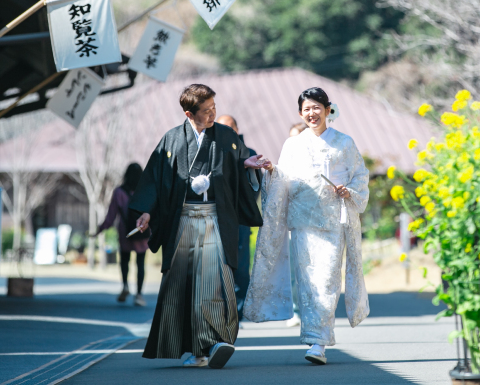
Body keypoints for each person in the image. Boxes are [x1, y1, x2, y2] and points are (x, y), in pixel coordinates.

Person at [131, 84, 267, 369]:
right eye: (206, 110)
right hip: (182, 220)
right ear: (189, 113)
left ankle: (215, 341)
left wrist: (248, 165)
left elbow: (239, 164)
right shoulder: (171, 140)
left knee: (214, 282)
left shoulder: (226, 136)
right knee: (182, 284)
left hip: (215, 219)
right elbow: (155, 180)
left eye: (214, 107)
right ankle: (197, 349)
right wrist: (146, 211)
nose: (213, 114)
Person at [244, 87, 370, 366]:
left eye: (317, 108)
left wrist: (349, 190)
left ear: (328, 109)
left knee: (327, 280)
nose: (312, 113)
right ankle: (316, 339)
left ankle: (318, 341)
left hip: (332, 221)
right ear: (300, 113)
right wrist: (271, 172)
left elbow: (360, 176)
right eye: (306, 109)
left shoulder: (344, 143)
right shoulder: (293, 145)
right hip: (302, 223)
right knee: (309, 282)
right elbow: (284, 179)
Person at [215, 114, 259, 314]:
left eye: (230, 127)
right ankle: (221, 307)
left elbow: (256, 186)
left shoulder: (249, 152)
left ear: (237, 129)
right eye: (221, 127)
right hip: (216, 216)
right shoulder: (212, 151)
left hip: (240, 218)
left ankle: (238, 309)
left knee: (240, 265)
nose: (226, 131)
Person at [94, 163, 147, 306]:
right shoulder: (145, 190)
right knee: (140, 262)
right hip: (142, 231)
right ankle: (139, 295)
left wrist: (100, 229)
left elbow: (111, 216)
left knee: (125, 260)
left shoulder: (119, 192)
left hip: (125, 232)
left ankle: (125, 286)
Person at [285, 121, 307, 328]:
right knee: (293, 269)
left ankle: (313, 308)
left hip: (314, 221)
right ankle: (295, 310)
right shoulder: (287, 161)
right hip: (292, 222)